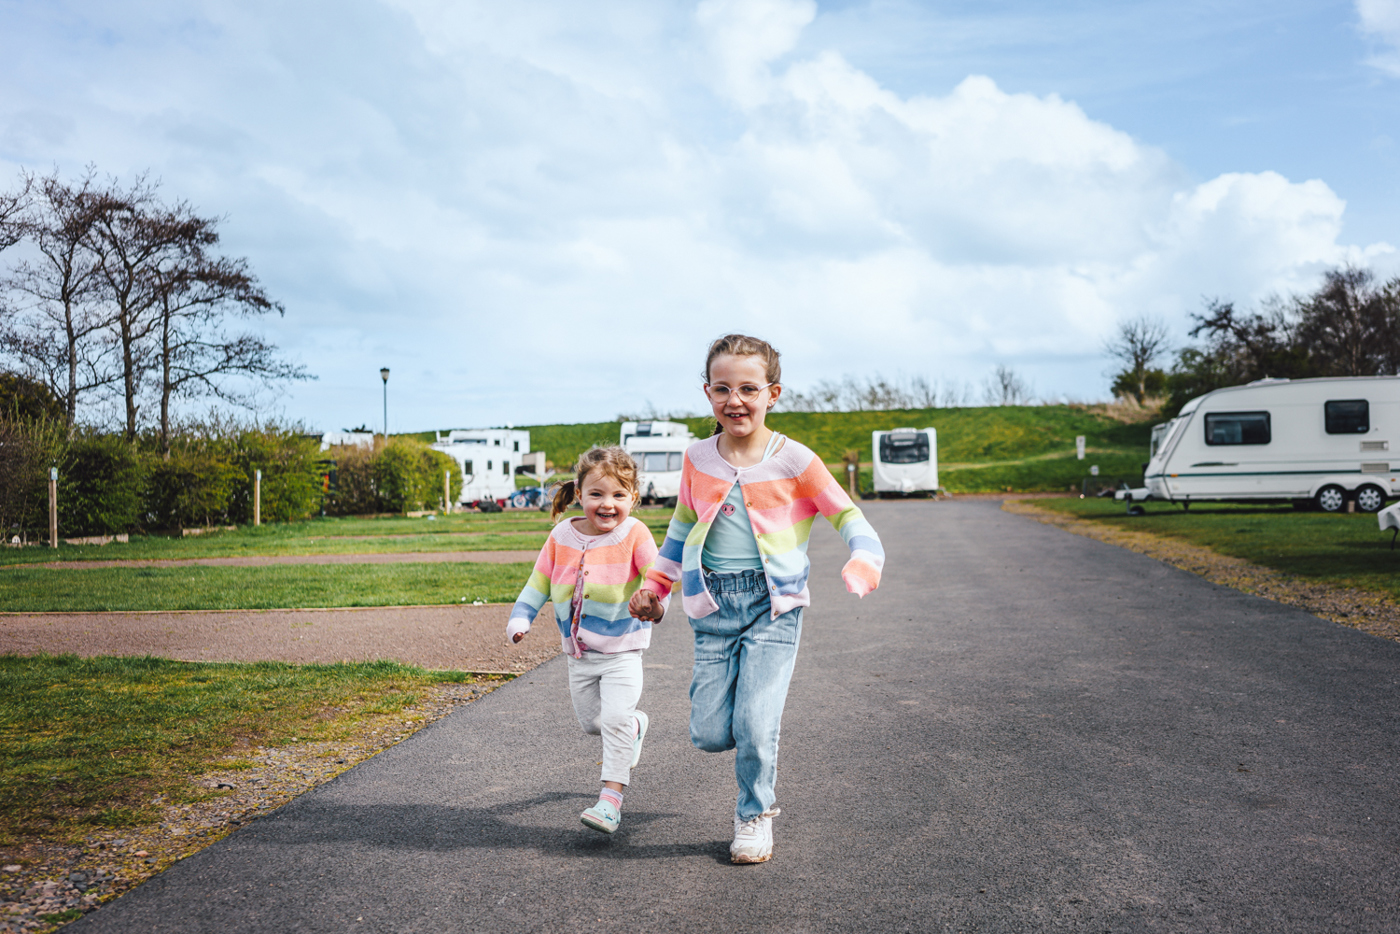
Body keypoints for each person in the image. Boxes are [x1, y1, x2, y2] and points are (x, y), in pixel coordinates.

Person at [630, 334, 884, 864]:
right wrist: (655, 586)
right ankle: (745, 748)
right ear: (707, 393)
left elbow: (848, 516)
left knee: (754, 724)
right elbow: (680, 528)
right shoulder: (697, 457)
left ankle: (753, 816)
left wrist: (864, 557)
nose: (735, 400)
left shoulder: (795, 459)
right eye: (722, 388)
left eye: (748, 388)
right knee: (707, 733)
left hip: (775, 607)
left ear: (774, 393)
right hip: (713, 607)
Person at [507, 446, 670, 834]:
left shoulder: (635, 533)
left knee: (612, 719)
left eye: (618, 495)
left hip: (623, 651)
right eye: (597, 494)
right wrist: (521, 617)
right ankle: (633, 727)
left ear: (634, 498)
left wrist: (654, 607)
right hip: (579, 655)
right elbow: (539, 581)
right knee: (593, 723)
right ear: (579, 494)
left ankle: (610, 801)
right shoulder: (561, 535)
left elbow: (658, 579)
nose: (607, 504)